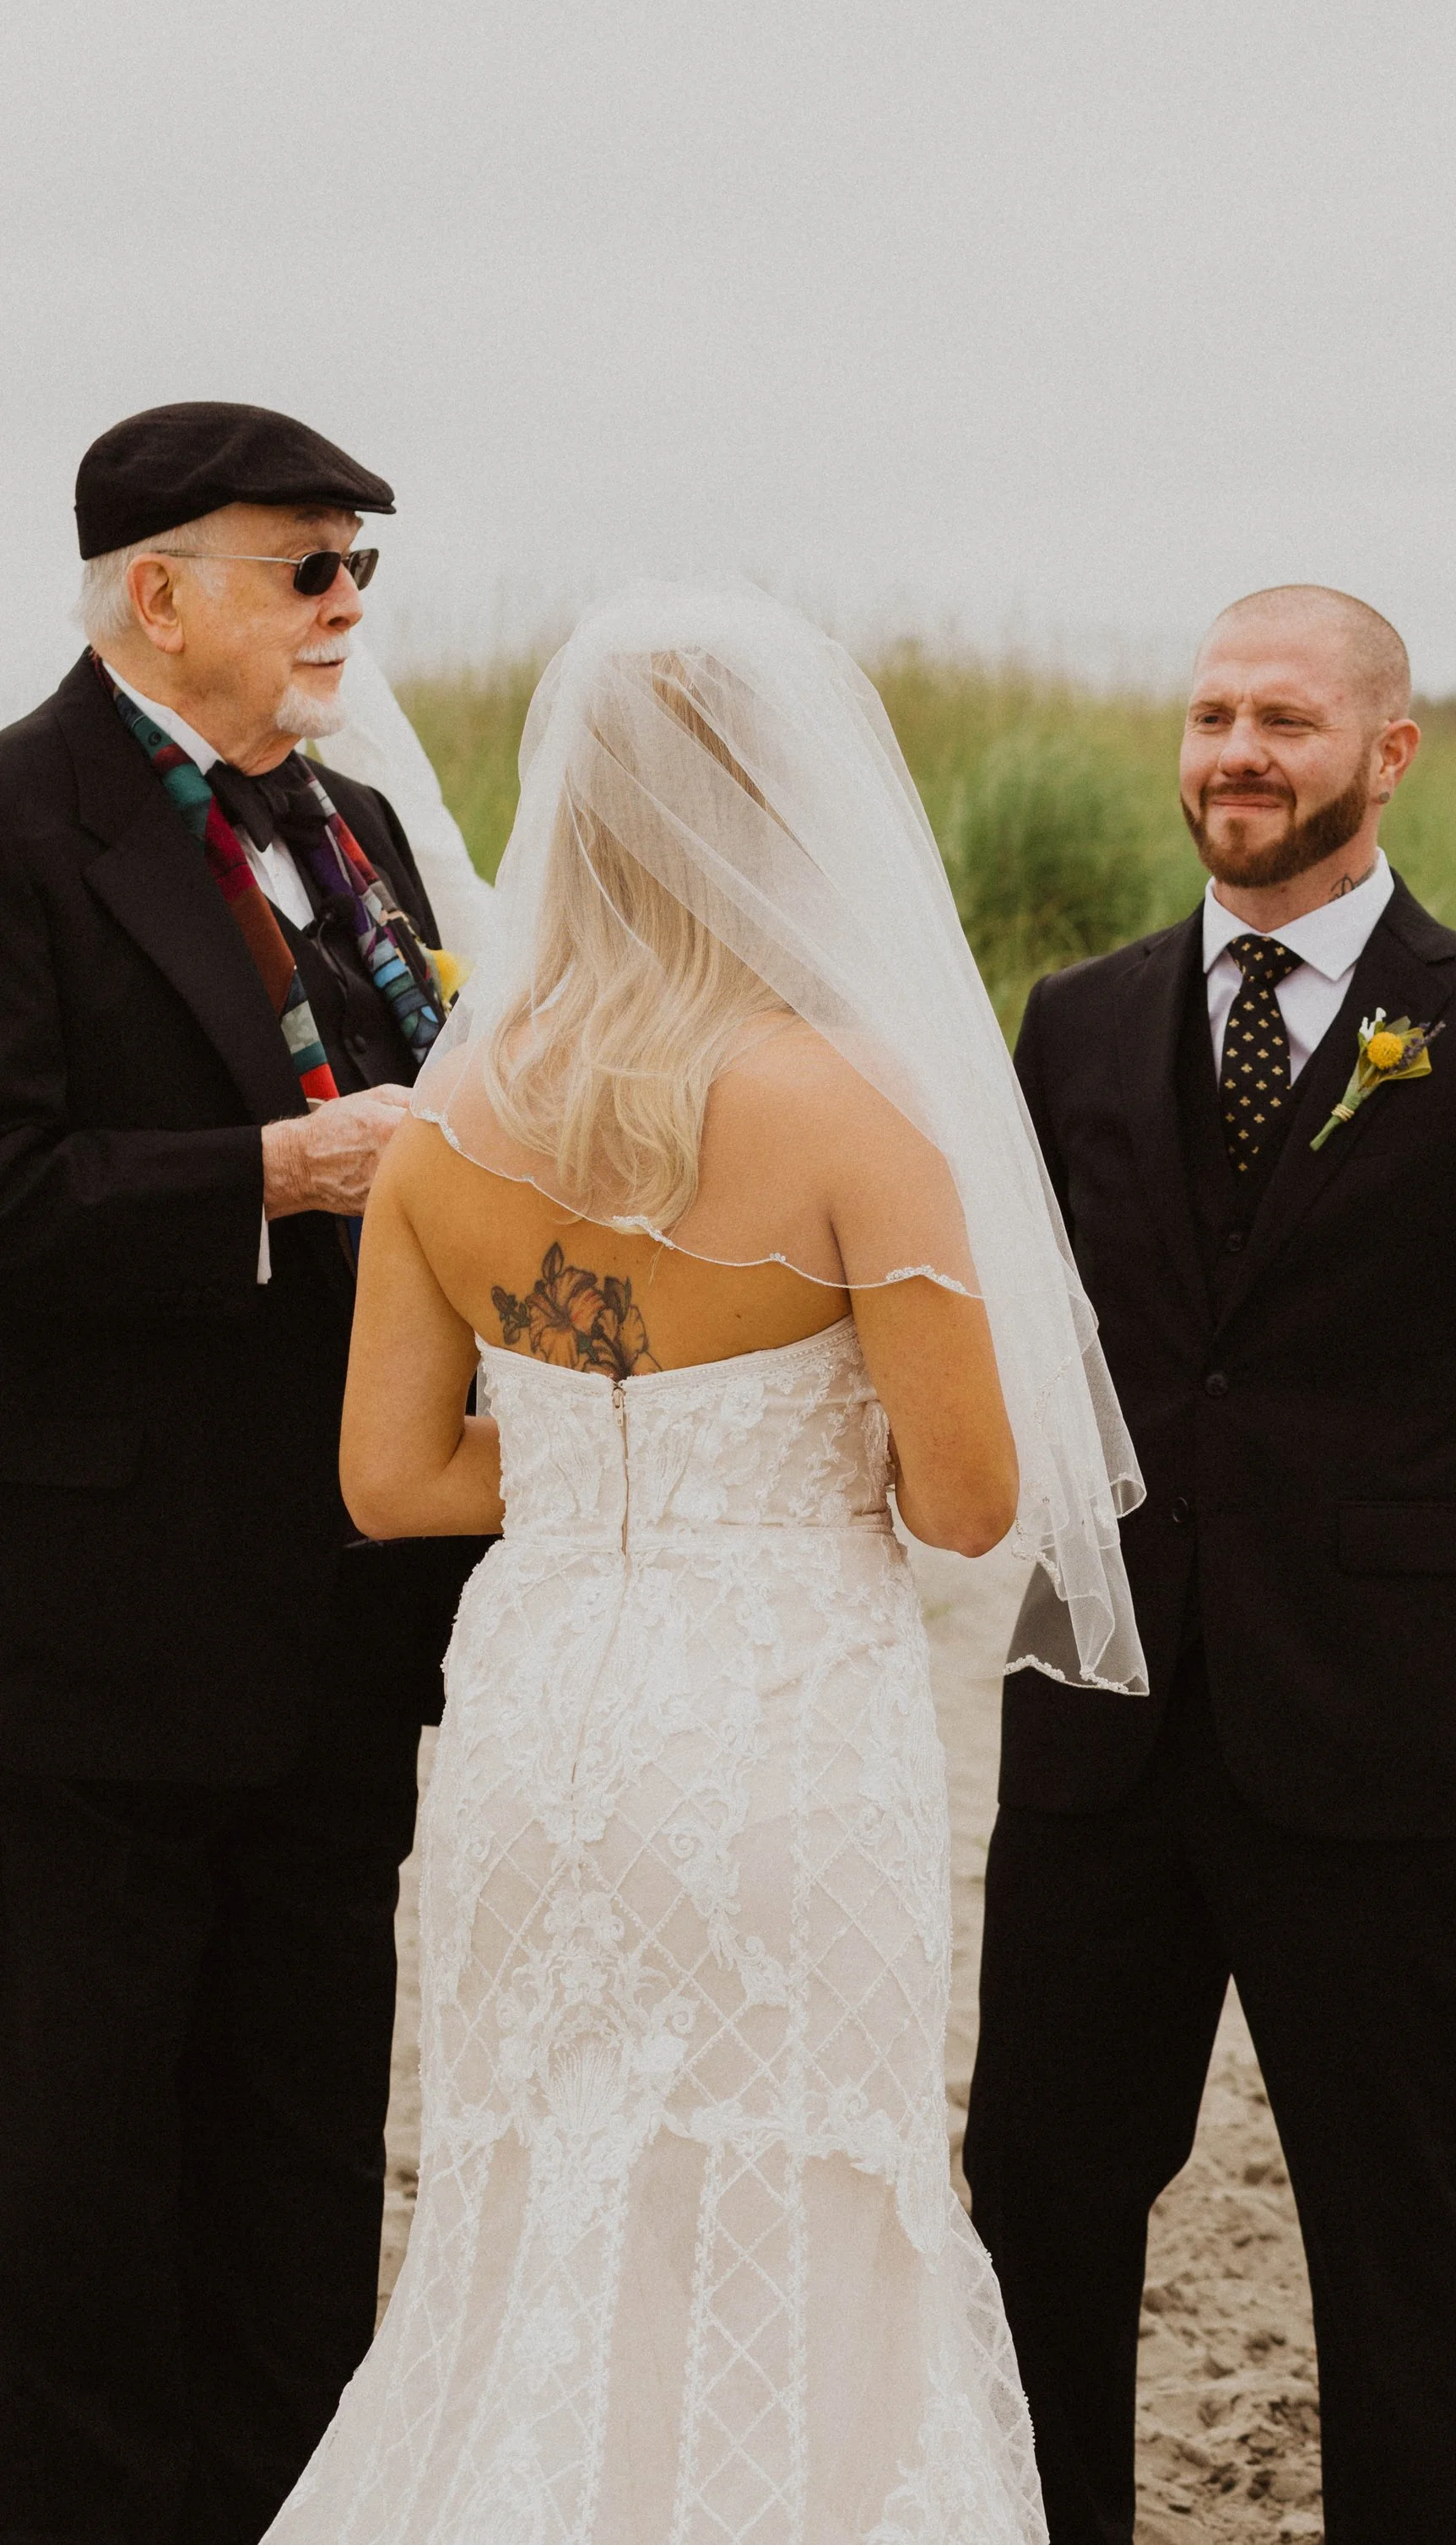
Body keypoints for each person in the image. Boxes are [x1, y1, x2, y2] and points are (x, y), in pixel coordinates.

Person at [260, 581, 1145, 2545]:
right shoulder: (849, 1107)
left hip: (535, 1727)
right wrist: (763, 1448)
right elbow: (968, 1499)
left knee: (535, 2188)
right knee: (799, 2183)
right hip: (772, 1733)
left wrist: (600, 1454)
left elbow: (391, 1483)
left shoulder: (448, 1122)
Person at [962, 583, 1456, 2545]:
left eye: (1281, 718)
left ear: (1386, 750)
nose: (1235, 756)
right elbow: (1039, 1347)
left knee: (1381, 2215)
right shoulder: (1077, 1019)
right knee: (1039, 2188)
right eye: (1207, 717)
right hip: (1094, 1713)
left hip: (1363, 1731)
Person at [0, 403, 482, 2544]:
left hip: (347, 1606)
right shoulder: (18, 826)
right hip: (94, 1633)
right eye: (309, 567)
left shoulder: (361, 823)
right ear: (157, 590)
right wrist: (271, 1174)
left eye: (363, 567)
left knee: (304, 2132)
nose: (348, 607)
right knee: (85, 2155)